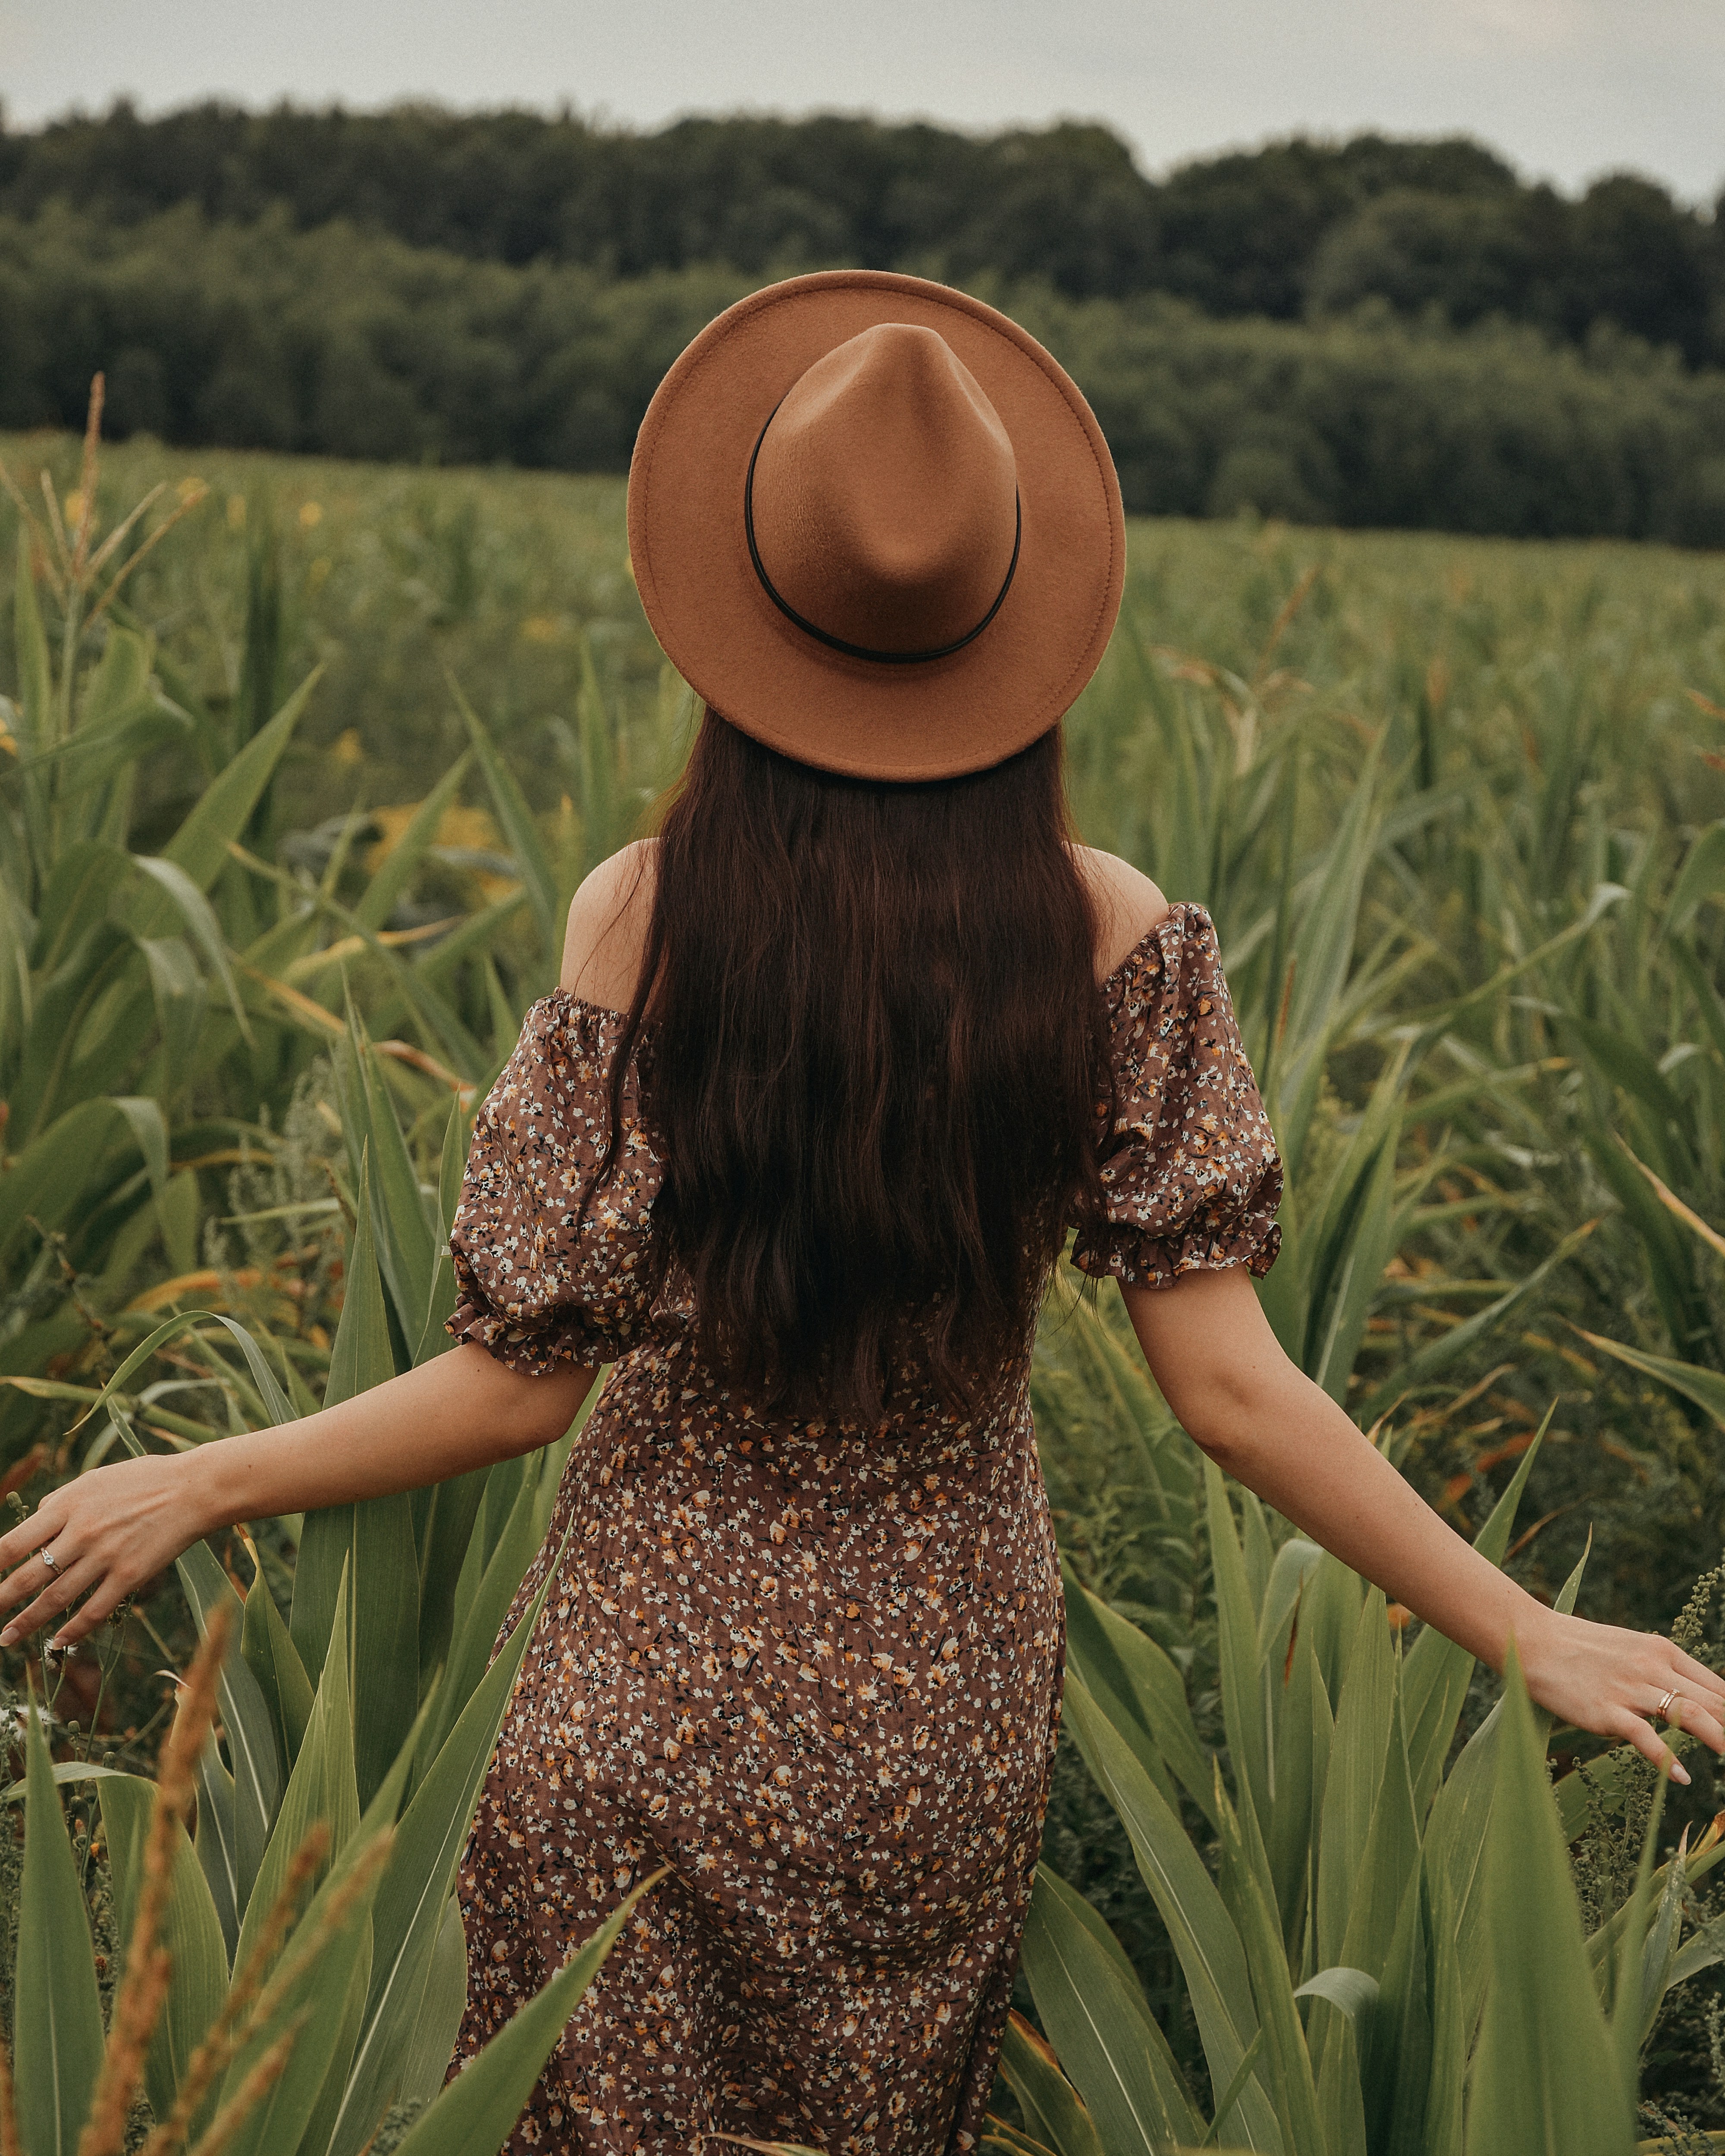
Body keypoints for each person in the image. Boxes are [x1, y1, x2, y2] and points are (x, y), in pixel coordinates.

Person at [2, 271, 1720, 2156]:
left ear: (742, 620)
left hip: (632, 1701)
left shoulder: (641, 917)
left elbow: (509, 1387)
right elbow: (1236, 1395)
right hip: (934, 1724)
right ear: (1010, 623)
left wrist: (202, 1474)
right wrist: (1518, 1618)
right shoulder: (1114, 938)